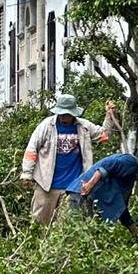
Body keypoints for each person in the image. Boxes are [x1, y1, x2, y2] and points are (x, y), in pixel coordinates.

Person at [21, 94, 118, 226]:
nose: (63, 117)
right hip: (47, 185)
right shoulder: (46, 126)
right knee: (39, 224)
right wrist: (27, 174)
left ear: (73, 113)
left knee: (67, 227)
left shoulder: (84, 126)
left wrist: (109, 115)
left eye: (67, 114)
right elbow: (31, 150)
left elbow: (104, 135)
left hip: (73, 187)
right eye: (61, 114)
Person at [79, 148, 138, 241]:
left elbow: (122, 209)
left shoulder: (129, 179)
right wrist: (89, 185)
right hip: (82, 194)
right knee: (80, 235)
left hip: (92, 200)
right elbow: (105, 167)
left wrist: (136, 235)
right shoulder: (131, 162)